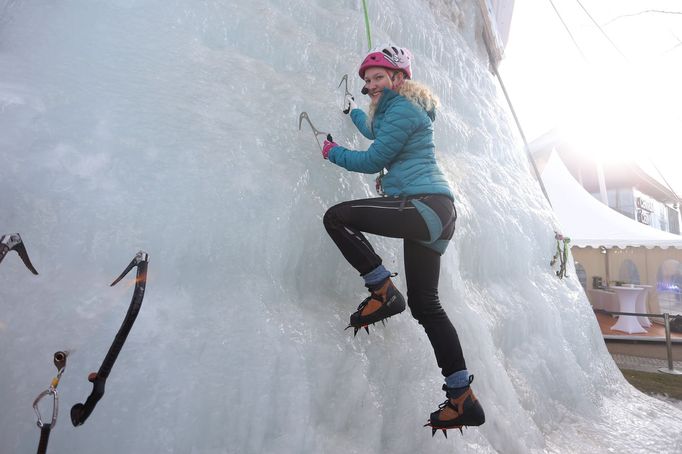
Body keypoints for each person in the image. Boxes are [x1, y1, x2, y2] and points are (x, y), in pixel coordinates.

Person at [321, 45, 485, 435]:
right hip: (436, 213)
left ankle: (382, 289)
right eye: (367, 81)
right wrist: (353, 113)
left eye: (379, 77)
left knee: (336, 217)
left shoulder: (403, 111)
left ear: (399, 78)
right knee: (427, 306)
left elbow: (371, 159)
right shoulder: (400, 112)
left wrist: (330, 151)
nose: (371, 84)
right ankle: (462, 396)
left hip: (424, 206)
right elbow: (376, 129)